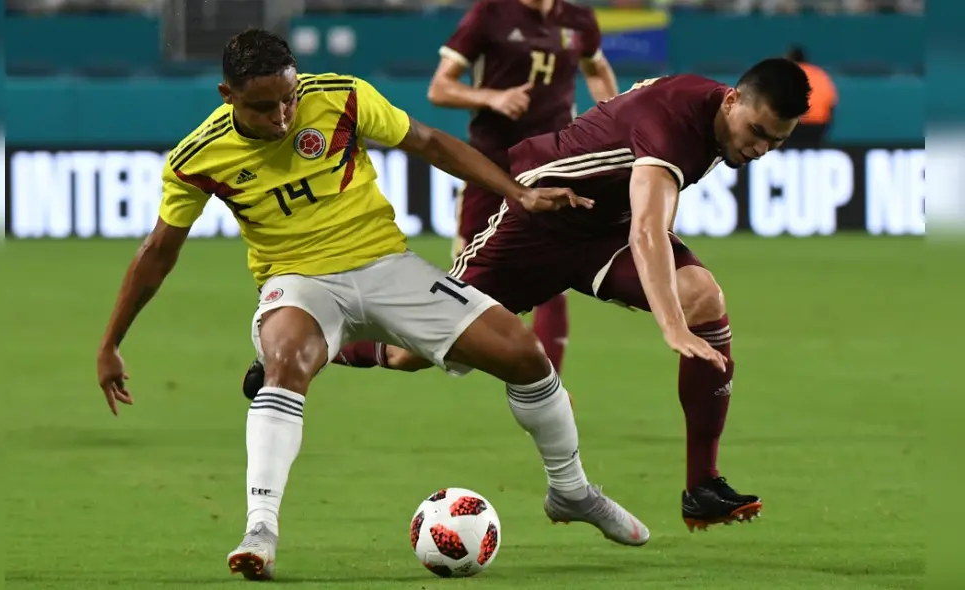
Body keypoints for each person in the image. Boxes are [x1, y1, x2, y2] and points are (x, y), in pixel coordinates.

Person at [94, 29, 648, 583]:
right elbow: (158, 252)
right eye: (264, 107)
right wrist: (112, 341)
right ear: (226, 94)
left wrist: (518, 193)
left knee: (524, 354)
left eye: (289, 99)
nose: (283, 117)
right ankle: (259, 531)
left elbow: (428, 142)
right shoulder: (197, 156)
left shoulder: (342, 97)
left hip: (388, 267)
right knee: (286, 363)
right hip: (299, 280)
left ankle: (571, 491)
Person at [261, 58, 812, 532]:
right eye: (758, 132)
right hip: (535, 216)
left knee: (703, 297)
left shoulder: (716, 117)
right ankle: (319, 346)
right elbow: (649, 231)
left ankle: (703, 487)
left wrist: (680, 312)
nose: (760, 149)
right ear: (734, 99)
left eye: (775, 142)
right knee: (413, 354)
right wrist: (670, 327)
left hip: (600, 228)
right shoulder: (675, 127)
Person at [424, 0, 619, 372]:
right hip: (491, 166)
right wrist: (491, 97)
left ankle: (550, 389)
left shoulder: (578, 19)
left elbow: (596, 67)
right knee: (467, 289)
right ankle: (405, 348)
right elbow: (439, 88)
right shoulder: (490, 13)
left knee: (552, 277)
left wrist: (610, 113)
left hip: (553, 164)